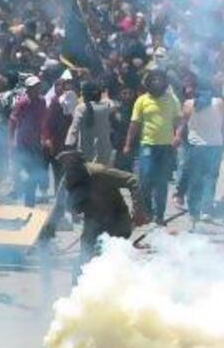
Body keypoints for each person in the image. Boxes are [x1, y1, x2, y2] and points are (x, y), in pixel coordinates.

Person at [57, 150, 141, 283]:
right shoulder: (68, 179)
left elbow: (133, 180)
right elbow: (60, 205)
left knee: (111, 260)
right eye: (65, 164)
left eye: (71, 163)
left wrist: (138, 211)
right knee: (84, 260)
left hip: (116, 222)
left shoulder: (99, 173)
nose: (68, 167)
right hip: (93, 222)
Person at [123, 70, 181, 225]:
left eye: (159, 79)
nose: (156, 82)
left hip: (166, 147)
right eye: (153, 80)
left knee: (162, 182)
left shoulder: (172, 100)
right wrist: (128, 143)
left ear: (164, 82)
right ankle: (146, 211)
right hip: (147, 145)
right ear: (148, 82)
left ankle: (159, 215)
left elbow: (178, 120)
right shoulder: (142, 100)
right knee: (146, 178)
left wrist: (178, 135)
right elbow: (134, 124)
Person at [177, 83, 224, 226]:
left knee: (195, 179)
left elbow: (183, 123)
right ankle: (206, 211)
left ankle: (194, 212)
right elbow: (223, 123)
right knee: (210, 179)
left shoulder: (188, 104)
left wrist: (177, 137)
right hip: (215, 145)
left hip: (196, 146)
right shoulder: (219, 103)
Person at [10, 76, 48, 206]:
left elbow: (43, 121)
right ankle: (26, 200)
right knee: (27, 172)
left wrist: (44, 138)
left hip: (36, 143)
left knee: (35, 172)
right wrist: (11, 140)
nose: (36, 89)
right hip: (23, 143)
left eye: (37, 86)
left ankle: (29, 201)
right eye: (33, 87)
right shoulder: (22, 102)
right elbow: (13, 121)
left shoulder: (42, 101)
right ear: (28, 89)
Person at [65, 81, 112, 166]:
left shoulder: (81, 108)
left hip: (86, 152)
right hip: (104, 151)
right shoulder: (106, 107)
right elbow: (109, 101)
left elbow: (74, 128)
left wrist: (68, 144)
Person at [110, 85, 137, 172]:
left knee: (130, 170)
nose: (127, 96)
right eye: (124, 93)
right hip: (117, 144)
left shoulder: (136, 110)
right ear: (119, 95)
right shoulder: (114, 110)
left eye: (130, 93)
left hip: (133, 144)